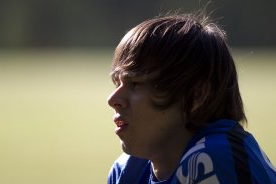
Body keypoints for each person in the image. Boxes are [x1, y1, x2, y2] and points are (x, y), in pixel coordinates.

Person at [106, 12, 276, 184]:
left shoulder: (212, 160)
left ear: (197, 95)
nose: (113, 100)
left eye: (136, 83)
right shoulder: (126, 170)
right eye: (117, 83)